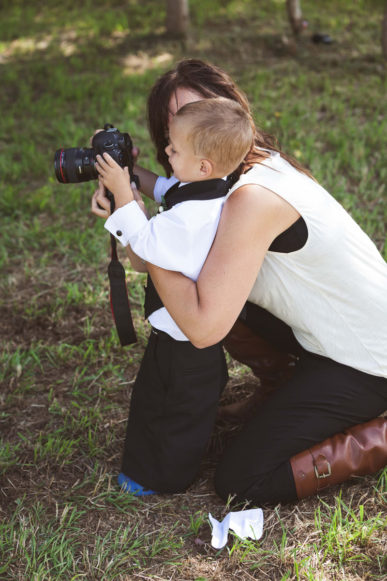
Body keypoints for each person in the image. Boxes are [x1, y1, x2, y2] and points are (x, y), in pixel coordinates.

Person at [92, 59, 387, 505]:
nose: (190, 124)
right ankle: (280, 385)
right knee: (216, 287)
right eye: (174, 123)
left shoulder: (250, 197)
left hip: (368, 361)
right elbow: (155, 250)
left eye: (201, 109)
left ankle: (379, 435)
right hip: (323, 338)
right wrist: (131, 187)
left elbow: (202, 326)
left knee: (242, 477)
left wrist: (130, 216)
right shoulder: (225, 177)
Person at [94, 97, 254, 494]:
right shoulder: (205, 187)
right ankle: (146, 463)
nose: (166, 152)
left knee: (178, 410)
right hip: (175, 334)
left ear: (203, 166)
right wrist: (128, 173)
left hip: (187, 342)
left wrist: (123, 197)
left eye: (174, 149)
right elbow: (164, 188)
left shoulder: (193, 218)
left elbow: (146, 245)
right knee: (154, 398)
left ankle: (166, 477)